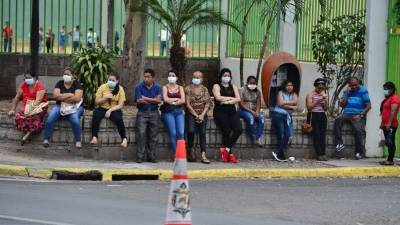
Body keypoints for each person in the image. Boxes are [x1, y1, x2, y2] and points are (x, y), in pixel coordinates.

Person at [43, 68, 84, 148]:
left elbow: (77, 99)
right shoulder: (60, 83)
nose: (66, 76)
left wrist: (62, 97)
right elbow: (55, 96)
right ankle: (46, 139)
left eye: (68, 74)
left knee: (75, 120)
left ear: (73, 76)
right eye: (64, 74)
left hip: (74, 107)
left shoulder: (77, 84)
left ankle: (78, 140)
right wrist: (69, 95)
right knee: (51, 117)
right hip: (60, 105)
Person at [8, 71, 48, 145]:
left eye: (29, 78)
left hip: (39, 107)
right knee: (18, 116)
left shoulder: (40, 86)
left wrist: (29, 110)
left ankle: (26, 136)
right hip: (26, 108)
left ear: (35, 78)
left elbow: (38, 101)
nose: (27, 79)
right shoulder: (24, 85)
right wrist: (12, 109)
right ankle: (25, 133)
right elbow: (17, 97)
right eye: (26, 78)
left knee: (34, 118)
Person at [334, 77, 371, 160]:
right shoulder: (346, 91)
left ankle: (359, 152)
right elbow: (342, 105)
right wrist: (347, 93)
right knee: (337, 121)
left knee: (358, 130)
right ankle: (339, 147)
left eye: (355, 85)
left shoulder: (363, 91)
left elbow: (369, 106)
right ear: (349, 85)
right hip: (347, 113)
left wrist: (361, 115)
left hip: (358, 114)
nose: (354, 87)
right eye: (352, 85)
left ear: (358, 84)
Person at [212, 68, 242, 163]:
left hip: (232, 111)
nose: (227, 77)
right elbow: (217, 97)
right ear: (221, 76)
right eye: (225, 75)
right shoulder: (216, 86)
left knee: (238, 129)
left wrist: (226, 101)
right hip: (220, 111)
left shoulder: (233, 86)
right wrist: (230, 99)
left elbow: (238, 99)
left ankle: (226, 149)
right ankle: (230, 154)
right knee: (227, 130)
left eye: (228, 76)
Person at [90, 73, 128, 148]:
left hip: (114, 108)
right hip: (102, 107)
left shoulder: (120, 89)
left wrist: (110, 110)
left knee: (118, 119)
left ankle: (124, 139)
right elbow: (96, 102)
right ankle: (94, 137)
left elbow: (120, 105)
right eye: (109, 80)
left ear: (117, 81)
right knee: (96, 115)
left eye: (113, 80)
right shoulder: (103, 87)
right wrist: (105, 98)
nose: (110, 81)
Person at [134, 69, 162, 163]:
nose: (146, 79)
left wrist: (145, 98)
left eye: (148, 77)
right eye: (145, 76)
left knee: (153, 136)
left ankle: (151, 156)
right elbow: (139, 100)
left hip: (154, 113)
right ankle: (140, 157)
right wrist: (153, 99)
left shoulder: (158, 87)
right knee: (141, 135)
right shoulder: (139, 87)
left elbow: (159, 101)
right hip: (142, 113)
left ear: (153, 78)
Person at [185, 71, 211, 163]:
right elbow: (187, 104)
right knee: (191, 131)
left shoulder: (205, 89)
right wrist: (196, 115)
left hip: (202, 114)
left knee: (202, 133)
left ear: (202, 79)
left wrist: (202, 115)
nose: (196, 79)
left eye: (198, 77)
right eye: (195, 77)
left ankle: (203, 155)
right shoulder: (188, 88)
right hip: (192, 114)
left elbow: (207, 104)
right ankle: (190, 150)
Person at [271, 80, 298, 162]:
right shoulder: (280, 93)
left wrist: (284, 104)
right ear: (284, 86)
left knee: (289, 135)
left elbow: (295, 103)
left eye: (291, 85)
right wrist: (291, 106)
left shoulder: (294, 94)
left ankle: (278, 152)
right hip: (278, 115)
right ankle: (280, 154)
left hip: (288, 116)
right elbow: (279, 103)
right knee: (281, 134)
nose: (289, 87)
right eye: (287, 85)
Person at [161, 70, 186, 156]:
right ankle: (177, 155)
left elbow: (183, 100)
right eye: (170, 75)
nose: (171, 77)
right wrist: (175, 100)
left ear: (176, 77)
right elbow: (165, 99)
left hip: (179, 112)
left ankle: (182, 153)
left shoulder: (180, 88)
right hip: (168, 112)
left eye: (173, 75)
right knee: (173, 133)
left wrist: (172, 101)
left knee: (181, 132)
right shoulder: (165, 87)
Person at [306, 78, 328, 161]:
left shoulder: (324, 94)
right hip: (314, 114)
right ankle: (319, 153)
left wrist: (325, 101)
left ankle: (323, 153)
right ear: (315, 86)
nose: (321, 90)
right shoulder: (310, 94)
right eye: (319, 88)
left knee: (323, 135)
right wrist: (317, 101)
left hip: (322, 115)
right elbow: (309, 107)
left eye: (322, 88)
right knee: (317, 134)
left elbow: (326, 109)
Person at [239, 76, 264, 147]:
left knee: (261, 118)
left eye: (254, 83)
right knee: (250, 118)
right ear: (247, 83)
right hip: (243, 110)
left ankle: (257, 138)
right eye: (251, 83)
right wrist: (252, 112)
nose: (252, 85)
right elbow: (241, 104)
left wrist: (257, 112)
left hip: (254, 110)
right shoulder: (242, 90)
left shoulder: (257, 91)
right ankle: (253, 136)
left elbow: (258, 103)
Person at [379, 82, 400, 165]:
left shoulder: (395, 98)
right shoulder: (388, 98)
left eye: (386, 89)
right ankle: (389, 159)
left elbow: (393, 111)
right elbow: (384, 112)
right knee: (386, 142)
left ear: (391, 89)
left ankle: (390, 160)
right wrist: (382, 123)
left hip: (391, 124)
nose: (385, 91)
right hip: (385, 124)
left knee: (390, 142)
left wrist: (389, 123)